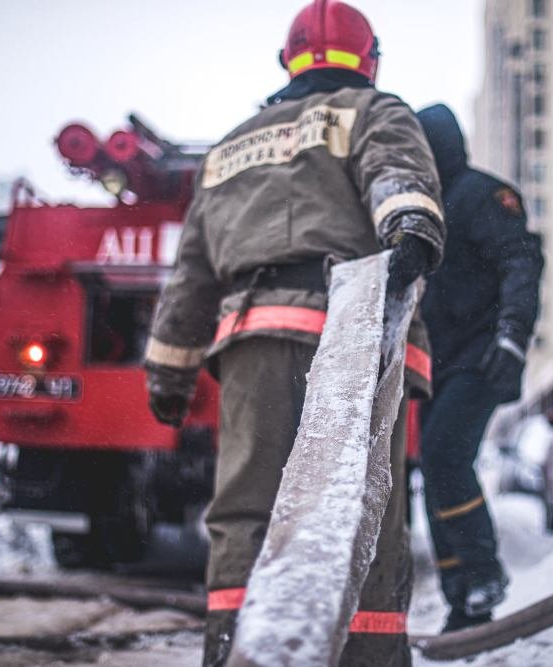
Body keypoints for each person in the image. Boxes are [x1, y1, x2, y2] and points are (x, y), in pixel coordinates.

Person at [143, 3, 446, 665]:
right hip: (352, 335)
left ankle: (234, 652)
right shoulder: (373, 110)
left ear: (289, 61)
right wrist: (411, 230)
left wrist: (168, 377)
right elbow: (399, 176)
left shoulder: (228, 149)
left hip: (252, 341)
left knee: (244, 517)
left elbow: (191, 276)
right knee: (362, 514)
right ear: (368, 61)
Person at [415, 103, 544, 632]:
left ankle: (483, 571)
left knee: (445, 455)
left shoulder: (484, 196)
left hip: (482, 355)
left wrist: (512, 336)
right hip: (435, 362)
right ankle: (463, 599)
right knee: (435, 465)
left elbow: (521, 262)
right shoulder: (421, 207)